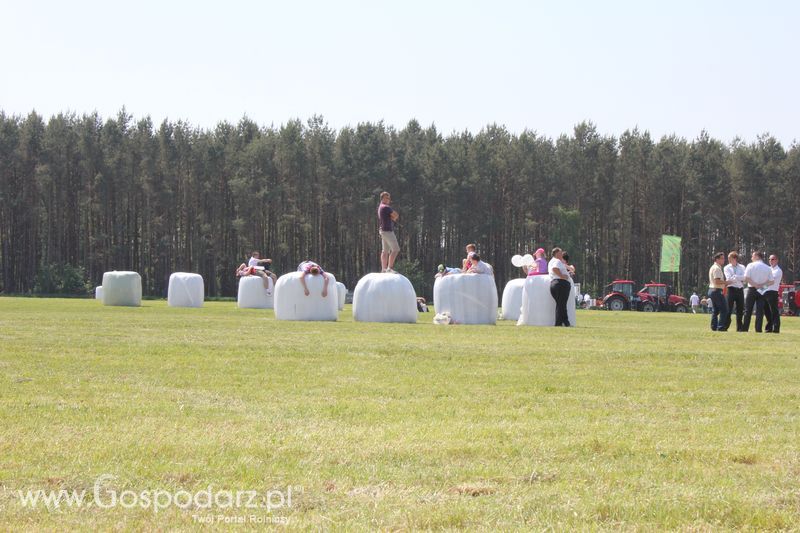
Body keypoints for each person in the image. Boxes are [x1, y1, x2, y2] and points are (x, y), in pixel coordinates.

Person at [742, 250, 774, 333]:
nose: (751, 258)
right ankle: (758, 329)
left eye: (752, 256)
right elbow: (771, 281)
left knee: (748, 310)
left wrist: (755, 284)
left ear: (756, 256)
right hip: (762, 290)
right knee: (760, 311)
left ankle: (745, 328)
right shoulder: (767, 267)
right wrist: (762, 286)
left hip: (752, 289)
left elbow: (746, 278)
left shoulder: (750, 265)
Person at [378, 191, 400, 273]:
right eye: (387, 198)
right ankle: (389, 268)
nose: (388, 199)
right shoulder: (386, 207)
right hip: (387, 231)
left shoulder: (380, 207)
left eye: (389, 198)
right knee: (396, 249)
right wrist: (393, 217)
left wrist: (392, 217)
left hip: (383, 231)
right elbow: (396, 215)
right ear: (382, 198)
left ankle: (383, 269)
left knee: (385, 251)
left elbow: (393, 216)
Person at [723, 251, 746, 331]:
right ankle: (725, 326)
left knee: (740, 309)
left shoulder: (742, 267)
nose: (728, 259)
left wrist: (735, 277)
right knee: (728, 309)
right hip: (731, 290)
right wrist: (739, 278)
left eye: (730, 258)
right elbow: (729, 279)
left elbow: (744, 278)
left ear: (735, 258)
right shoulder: (726, 267)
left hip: (740, 290)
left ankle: (739, 328)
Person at [548, 247, 571, 327]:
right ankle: (558, 323)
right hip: (561, 283)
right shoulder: (557, 261)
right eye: (560, 253)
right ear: (556, 254)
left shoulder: (551, 261)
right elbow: (555, 269)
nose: (562, 254)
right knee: (561, 304)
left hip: (554, 284)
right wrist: (562, 276)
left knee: (561, 304)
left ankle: (566, 322)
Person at [707, 252, 730, 331]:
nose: (724, 260)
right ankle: (720, 327)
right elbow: (717, 281)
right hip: (717, 290)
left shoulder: (713, 267)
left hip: (712, 290)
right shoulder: (717, 268)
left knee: (715, 310)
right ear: (717, 259)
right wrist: (727, 282)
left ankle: (714, 326)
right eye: (722, 258)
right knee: (724, 310)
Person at [763, 254, 782, 333]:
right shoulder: (768, 269)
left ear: (777, 260)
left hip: (772, 292)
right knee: (767, 311)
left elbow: (770, 280)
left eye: (773, 259)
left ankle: (776, 328)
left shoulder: (778, 270)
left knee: (774, 311)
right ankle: (769, 328)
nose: (771, 261)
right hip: (765, 291)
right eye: (770, 259)